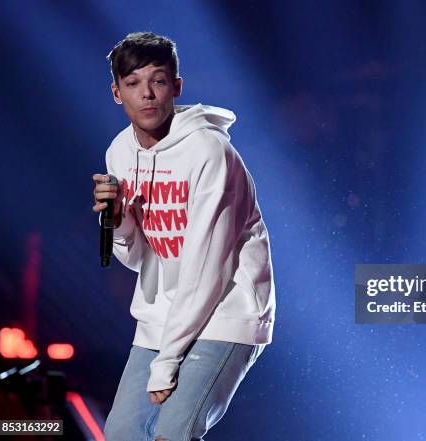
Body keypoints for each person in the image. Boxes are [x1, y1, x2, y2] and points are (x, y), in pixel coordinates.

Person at [92, 31, 276, 441]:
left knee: (172, 434)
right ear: (117, 93)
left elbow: (207, 266)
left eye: (158, 81)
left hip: (226, 311)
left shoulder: (210, 152)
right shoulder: (119, 153)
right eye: (133, 83)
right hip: (162, 316)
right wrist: (119, 221)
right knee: (122, 435)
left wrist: (167, 361)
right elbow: (142, 259)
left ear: (176, 86)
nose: (147, 95)